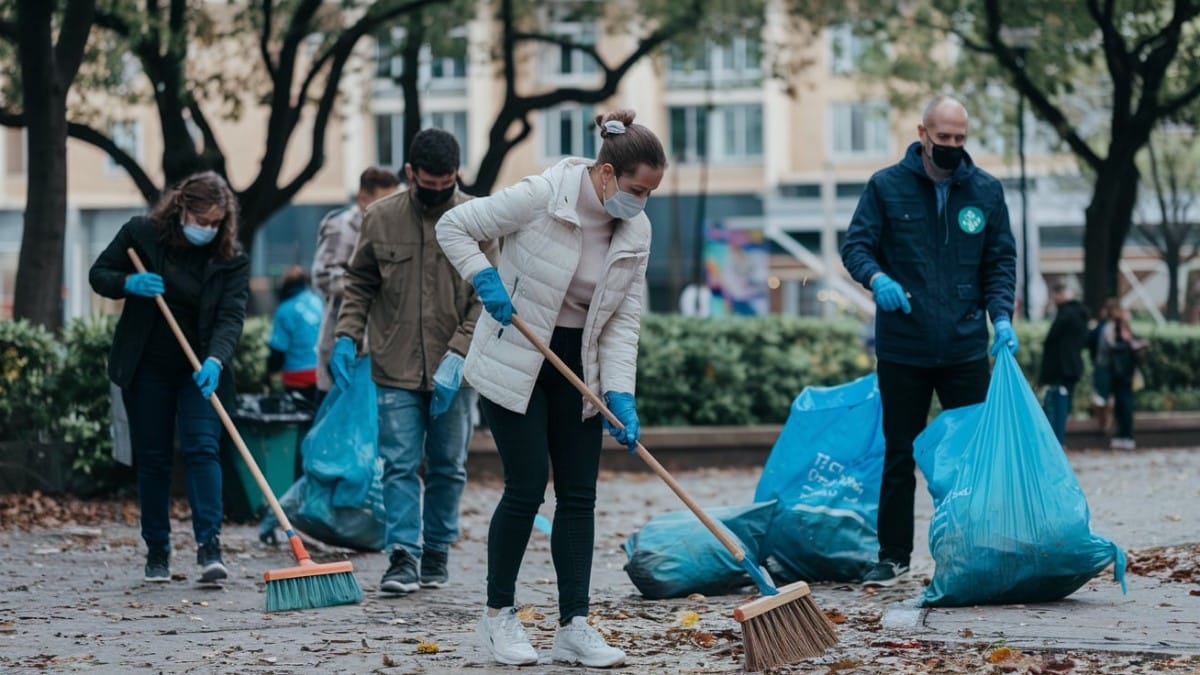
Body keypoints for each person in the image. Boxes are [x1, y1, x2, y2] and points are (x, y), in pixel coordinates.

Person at [437, 108, 665, 669]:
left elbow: (621, 320)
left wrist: (620, 394)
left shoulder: (636, 228)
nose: (643, 202)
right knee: (527, 484)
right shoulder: (542, 194)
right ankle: (498, 618)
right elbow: (454, 226)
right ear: (607, 173)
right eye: (638, 188)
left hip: (576, 366)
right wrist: (482, 276)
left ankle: (574, 626)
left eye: (652, 193)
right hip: (516, 354)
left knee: (580, 494)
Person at [841, 95, 1018, 588]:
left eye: (961, 140)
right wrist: (876, 278)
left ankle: (975, 548)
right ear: (923, 134)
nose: (952, 148)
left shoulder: (985, 191)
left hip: (964, 345)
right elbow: (856, 246)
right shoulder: (886, 187)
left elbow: (1000, 261)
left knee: (972, 456)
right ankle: (893, 555)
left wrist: (1000, 318)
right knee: (900, 454)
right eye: (943, 139)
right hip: (904, 347)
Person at [332, 129, 489, 596]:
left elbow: (489, 294)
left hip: (455, 369)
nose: (437, 193)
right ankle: (403, 555)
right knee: (398, 464)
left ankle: (437, 548)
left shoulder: (478, 218)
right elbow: (360, 282)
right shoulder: (379, 219)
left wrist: (460, 353)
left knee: (447, 465)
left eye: (446, 184)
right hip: (394, 364)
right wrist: (346, 334)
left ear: (456, 175)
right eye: (428, 184)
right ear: (409, 174)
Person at [88, 171, 249, 584]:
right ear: (182, 209)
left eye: (216, 224)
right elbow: (99, 274)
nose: (208, 231)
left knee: (202, 449)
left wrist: (215, 360)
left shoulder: (230, 258)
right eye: (202, 221)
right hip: (147, 368)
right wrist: (129, 282)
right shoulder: (141, 234)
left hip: (200, 372)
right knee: (154, 459)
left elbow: (231, 316)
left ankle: (209, 546)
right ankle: (157, 551)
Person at [312, 167, 401, 400]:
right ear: (364, 199)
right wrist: (372, 284)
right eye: (385, 201)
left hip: (380, 348)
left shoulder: (389, 228)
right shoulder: (342, 226)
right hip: (344, 343)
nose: (392, 209)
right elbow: (323, 277)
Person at [1037, 282, 1090, 444]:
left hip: (1059, 368)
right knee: (1064, 404)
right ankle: (1059, 440)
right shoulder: (1080, 315)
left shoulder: (1064, 315)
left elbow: (1053, 344)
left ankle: (1056, 442)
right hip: (1072, 366)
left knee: (1055, 404)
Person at [267, 265, 323, 404]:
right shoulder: (318, 302)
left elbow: (278, 352)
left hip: (297, 378)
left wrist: (268, 375)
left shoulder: (284, 310)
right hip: (322, 374)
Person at [1095, 302, 1146, 449]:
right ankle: (1123, 435)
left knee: (1123, 403)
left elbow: (1115, 345)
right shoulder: (1117, 326)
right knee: (1121, 403)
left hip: (1121, 372)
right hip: (1121, 371)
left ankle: (1125, 435)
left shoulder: (1115, 327)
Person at [1087, 298, 1119, 433]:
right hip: (1116, 367)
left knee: (1100, 396)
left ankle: (1103, 423)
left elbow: (1089, 342)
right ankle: (1107, 423)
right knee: (1110, 397)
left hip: (1103, 365)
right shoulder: (1119, 326)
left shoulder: (1101, 327)